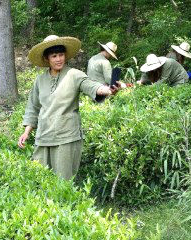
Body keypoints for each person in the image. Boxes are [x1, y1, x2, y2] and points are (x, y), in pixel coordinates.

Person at [17, 35, 117, 180]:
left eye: (61, 55)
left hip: (67, 136)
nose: (59, 59)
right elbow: (33, 106)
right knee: (40, 178)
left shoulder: (74, 74)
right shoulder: (40, 80)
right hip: (43, 136)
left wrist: (108, 90)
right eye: (54, 55)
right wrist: (26, 132)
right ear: (47, 59)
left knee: (63, 181)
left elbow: (91, 85)